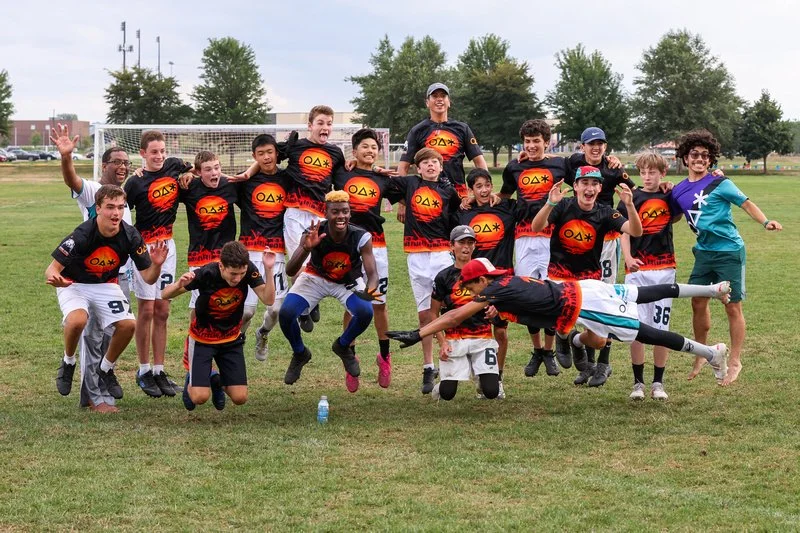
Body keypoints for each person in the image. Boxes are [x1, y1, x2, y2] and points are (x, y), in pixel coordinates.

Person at [387, 258, 732, 387]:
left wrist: (419, 333)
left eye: (472, 285)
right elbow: (519, 306)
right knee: (641, 295)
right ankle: (713, 289)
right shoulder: (504, 285)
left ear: (478, 283)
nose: (472, 291)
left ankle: (713, 353)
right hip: (583, 288)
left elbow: (452, 314)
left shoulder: (491, 291)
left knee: (646, 333)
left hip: (580, 303)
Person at [671, 129, 783, 386]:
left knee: (732, 306)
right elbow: (674, 214)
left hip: (729, 251)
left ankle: (735, 360)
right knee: (697, 302)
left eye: (705, 155)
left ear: (711, 160)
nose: (700, 158)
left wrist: (765, 221)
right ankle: (701, 353)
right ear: (685, 158)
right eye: (694, 154)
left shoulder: (721, 183)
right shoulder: (678, 191)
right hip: (703, 253)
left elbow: (746, 203)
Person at [46, 185, 168, 408]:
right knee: (77, 320)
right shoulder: (82, 234)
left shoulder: (131, 235)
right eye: (110, 207)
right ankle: (68, 362)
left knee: (128, 324)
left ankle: (106, 369)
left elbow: (149, 278)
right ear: (98, 208)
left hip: (105, 285)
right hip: (74, 284)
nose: (116, 213)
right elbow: (51, 269)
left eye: (121, 207)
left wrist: (157, 265)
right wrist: (56, 278)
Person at [532, 165, 642, 387]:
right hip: (559, 279)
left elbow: (635, 231)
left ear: (600, 188)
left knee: (599, 341)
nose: (589, 188)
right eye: (584, 183)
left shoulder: (605, 212)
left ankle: (575, 340)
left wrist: (630, 206)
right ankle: (562, 336)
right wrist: (550, 203)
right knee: (560, 320)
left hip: (589, 281)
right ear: (575, 186)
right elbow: (536, 227)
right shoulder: (563, 206)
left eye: (594, 184)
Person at [51, 124, 133, 413]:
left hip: (117, 276)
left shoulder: (122, 198)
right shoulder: (95, 192)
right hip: (90, 277)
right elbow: (72, 180)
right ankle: (93, 397)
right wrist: (66, 157)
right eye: (117, 162)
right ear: (104, 164)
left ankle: (103, 380)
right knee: (93, 337)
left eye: (126, 162)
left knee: (113, 334)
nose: (122, 167)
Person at [278, 191, 380, 393]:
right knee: (286, 313)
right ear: (326, 213)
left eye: (345, 211)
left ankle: (343, 346)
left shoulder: (361, 236)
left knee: (366, 311)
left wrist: (370, 290)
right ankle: (300, 353)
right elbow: (290, 270)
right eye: (335, 212)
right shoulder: (313, 231)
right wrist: (306, 248)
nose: (341, 216)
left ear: (350, 213)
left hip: (346, 281)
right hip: (316, 277)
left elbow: (373, 273)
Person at [162, 241, 274, 410]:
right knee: (199, 398)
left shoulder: (249, 270)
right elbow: (164, 295)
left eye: (241, 273)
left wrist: (269, 269)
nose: (237, 279)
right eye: (233, 274)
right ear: (221, 266)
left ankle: (215, 380)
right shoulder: (207, 273)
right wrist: (179, 284)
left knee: (240, 398)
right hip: (202, 339)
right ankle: (199, 378)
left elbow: (268, 299)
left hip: (231, 339)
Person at [123, 130, 193, 397]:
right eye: (154, 152)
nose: (159, 156)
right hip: (144, 249)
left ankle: (159, 370)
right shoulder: (135, 182)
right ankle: (143, 371)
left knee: (163, 310)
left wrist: (190, 173)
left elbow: (194, 170)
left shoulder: (174, 165)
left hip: (168, 246)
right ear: (142, 153)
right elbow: (121, 214)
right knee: (147, 310)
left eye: (162, 151)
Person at [500, 119, 570, 376]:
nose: (531, 146)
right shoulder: (514, 167)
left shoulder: (560, 164)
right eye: (527, 142)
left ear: (547, 142)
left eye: (536, 141)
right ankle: (537, 350)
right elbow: (505, 197)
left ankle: (550, 351)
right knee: (529, 294)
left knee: (553, 292)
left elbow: (589, 171)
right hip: (524, 236)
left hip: (553, 236)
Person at [388, 147, 461, 394]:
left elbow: (458, 220)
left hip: (441, 254)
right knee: (424, 315)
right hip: (416, 256)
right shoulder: (410, 184)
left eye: (435, 162)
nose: (430, 165)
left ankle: (452, 356)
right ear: (418, 168)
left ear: (441, 167)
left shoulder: (449, 192)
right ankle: (429, 366)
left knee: (445, 308)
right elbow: (382, 183)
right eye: (425, 162)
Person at [334, 128, 403, 387]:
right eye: (365, 146)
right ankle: (350, 359)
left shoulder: (383, 179)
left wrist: (403, 205)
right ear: (354, 151)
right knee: (352, 306)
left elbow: (404, 191)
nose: (370, 151)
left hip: (377, 246)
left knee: (378, 304)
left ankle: (384, 357)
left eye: (374, 147)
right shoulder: (342, 173)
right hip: (348, 247)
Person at [173, 151, 238, 390]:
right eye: (208, 169)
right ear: (199, 172)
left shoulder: (230, 187)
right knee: (198, 308)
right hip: (199, 256)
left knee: (230, 306)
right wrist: (184, 174)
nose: (214, 173)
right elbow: (168, 182)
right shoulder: (190, 188)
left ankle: (221, 355)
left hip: (226, 257)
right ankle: (193, 361)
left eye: (217, 168)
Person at [618, 152, 679, 400]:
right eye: (643, 172)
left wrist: (672, 189)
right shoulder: (630, 198)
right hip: (638, 271)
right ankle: (638, 383)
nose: (647, 176)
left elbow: (677, 214)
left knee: (661, 327)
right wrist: (628, 258)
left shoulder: (668, 195)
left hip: (664, 269)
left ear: (662, 173)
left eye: (652, 172)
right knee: (636, 327)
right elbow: (623, 232)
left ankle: (658, 383)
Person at [396, 82, 487, 225]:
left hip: (459, 195)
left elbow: (480, 162)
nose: (439, 99)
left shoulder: (462, 128)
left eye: (443, 96)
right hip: (429, 195)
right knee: (432, 239)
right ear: (427, 102)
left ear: (449, 102)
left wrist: (481, 191)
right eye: (434, 96)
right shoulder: (417, 130)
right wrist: (402, 203)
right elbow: (403, 167)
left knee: (460, 240)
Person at [457, 169, 515, 392]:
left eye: (487, 185)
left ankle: (497, 378)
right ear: (471, 190)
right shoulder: (464, 213)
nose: (483, 190)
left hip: (502, 278)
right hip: (475, 282)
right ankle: (480, 373)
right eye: (478, 186)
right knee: (476, 330)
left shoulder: (506, 208)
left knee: (500, 330)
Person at [429, 226, 502, 401]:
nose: (466, 247)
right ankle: (441, 385)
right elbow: (433, 313)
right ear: (451, 246)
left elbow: (500, 299)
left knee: (491, 391)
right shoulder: (443, 277)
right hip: (455, 338)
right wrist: (442, 342)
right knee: (447, 394)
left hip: (482, 336)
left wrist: (495, 309)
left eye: (470, 243)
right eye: (461, 242)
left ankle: (482, 380)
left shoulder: (485, 272)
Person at [237, 134, 292, 363]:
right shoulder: (246, 182)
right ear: (254, 156)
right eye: (261, 154)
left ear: (276, 153)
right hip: (249, 251)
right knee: (246, 312)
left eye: (270, 152)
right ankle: (235, 342)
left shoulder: (288, 179)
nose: (267, 157)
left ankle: (263, 333)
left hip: (275, 252)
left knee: (276, 310)